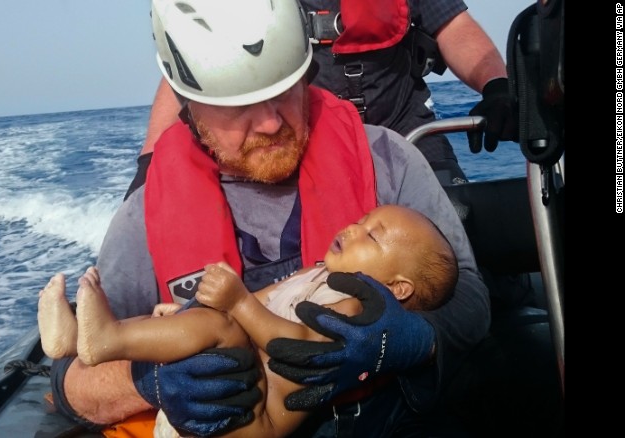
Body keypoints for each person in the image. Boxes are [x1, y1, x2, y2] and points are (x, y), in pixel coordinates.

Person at [49, 0, 490, 436]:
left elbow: (469, 300)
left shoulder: (389, 161)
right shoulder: (143, 217)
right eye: (238, 106)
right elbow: (73, 377)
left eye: (283, 92)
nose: (268, 123)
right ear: (189, 105)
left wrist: (408, 338)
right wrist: (150, 383)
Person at [39, 205, 458, 437]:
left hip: (254, 421)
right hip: (216, 397)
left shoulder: (356, 311)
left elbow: (298, 347)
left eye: (371, 235)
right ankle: (83, 338)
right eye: (362, 219)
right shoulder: (316, 275)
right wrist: (189, 314)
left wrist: (238, 304)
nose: (351, 227)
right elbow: (263, 300)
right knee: (210, 323)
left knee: (220, 329)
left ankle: (105, 336)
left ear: (399, 288)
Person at [124, 0, 517, 199]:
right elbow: (195, 66)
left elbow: (456, 28)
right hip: (308, 140)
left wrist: (497, 87)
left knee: (459, 219)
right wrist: (150, 162)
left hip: (409, 132)